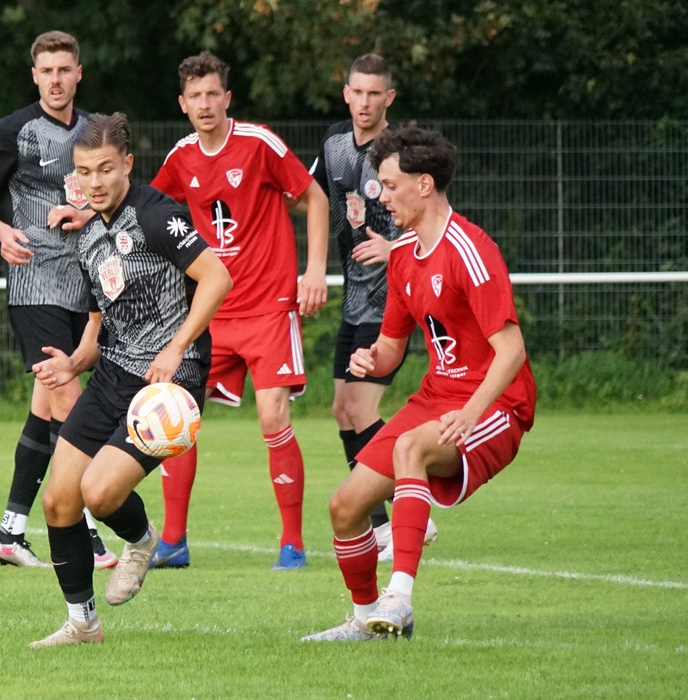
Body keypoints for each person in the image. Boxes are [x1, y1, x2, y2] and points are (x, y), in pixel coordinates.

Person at [302, 125, 536, 642]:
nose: (382, 197)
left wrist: (470, 413)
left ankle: (400, 598)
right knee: (345, 507)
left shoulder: (469, 250)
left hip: (496, 405)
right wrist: (370, 359)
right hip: (437, 397)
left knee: (410, 447)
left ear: (424, 184)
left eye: (390, 185)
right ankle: (367, 619)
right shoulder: (404, 253)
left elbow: (512, 351)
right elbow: (391, 347)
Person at [28, 112, 232, 647]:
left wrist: (176, 347)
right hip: (113, 375)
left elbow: (217, 277)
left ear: (127, 165)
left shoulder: (157, 215)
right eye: (84, 171)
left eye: (105, 169)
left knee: (98, 493)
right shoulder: (87, 233)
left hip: (169, 383)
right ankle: (82, 624)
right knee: (58, 501)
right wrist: (74, 363)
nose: (95, 181)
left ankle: (141, 541)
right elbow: (103, 320)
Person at [149, 51, 329, 571]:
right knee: (178, 412)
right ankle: (173, 542)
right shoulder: (181, 157)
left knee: (272, 416)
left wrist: (315, 271)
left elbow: (315, 198)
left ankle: (292, 543)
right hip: (211, 312)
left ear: (227, 98)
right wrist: (87, 212)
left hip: (269, 307)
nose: (205, 104)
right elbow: (144, 211)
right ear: (182, 104)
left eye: (213, 94)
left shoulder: (258, 143)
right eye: (195, 96)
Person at [0, 30, 116, 569]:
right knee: (71, 400)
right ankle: (86, 529)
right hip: (34, 284)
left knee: (44, 410)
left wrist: (87, 213)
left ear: (78, 73)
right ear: (34, 76)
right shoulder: (13, 131)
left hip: (84, 285)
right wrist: (3, 232)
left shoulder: (95, 134)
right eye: (46, 70)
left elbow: (114, 200)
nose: (56, 79)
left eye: (64, 69)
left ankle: (10, 533)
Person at [310, 54, 437, 561]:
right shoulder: (335, 143)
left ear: (389, 98)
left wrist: (394, 248)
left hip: (390, 302)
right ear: (347, 94)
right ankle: (381, 528)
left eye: (374, 94)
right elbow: (310, 196)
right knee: (343, 410)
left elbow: (433, 215)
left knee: (361, 409)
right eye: (357, 92)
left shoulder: (401, 153)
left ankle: (413, 509)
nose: (365, 102)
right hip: (355, 301)